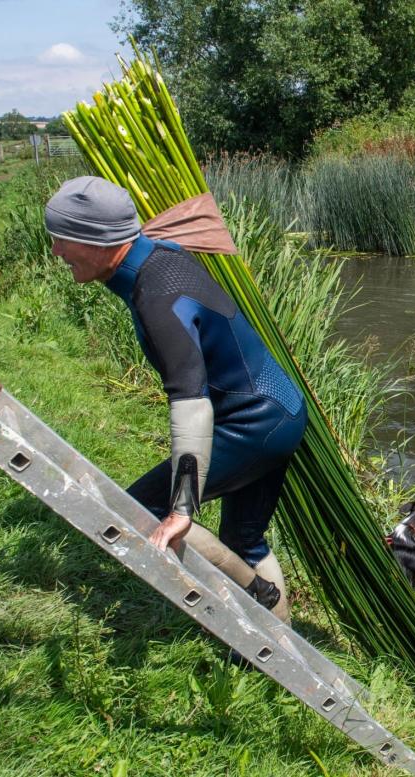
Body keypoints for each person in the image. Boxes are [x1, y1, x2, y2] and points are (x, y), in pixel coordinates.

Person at [45, 176, 305, 620]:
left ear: (95, 240)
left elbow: (190, 401)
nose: (56, 253)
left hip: (253, 423)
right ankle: (278, 637)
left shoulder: (156, 295)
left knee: (137, 511)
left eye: (61, 239)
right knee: (245, 539)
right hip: (282, 408)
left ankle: (255, 590)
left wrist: (182, 507)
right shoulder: (158, 253)